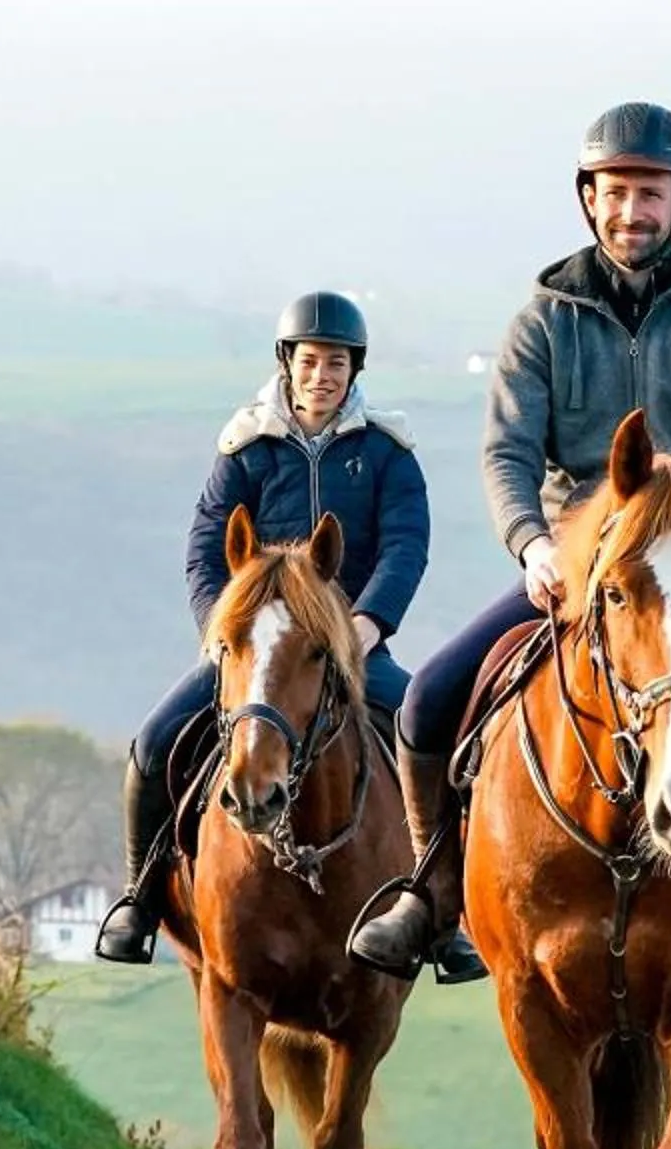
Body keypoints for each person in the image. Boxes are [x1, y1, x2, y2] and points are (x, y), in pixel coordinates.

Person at [346, 101, 671, 1001]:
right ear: (589, 200)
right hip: (577, 566)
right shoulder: (540, 324)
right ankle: (435, 889)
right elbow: (508, 453)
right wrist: (530, 545)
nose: (633, 211)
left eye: (651, 194)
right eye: (617, 192)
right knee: (430, 701)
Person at [93, 291, 432, 965]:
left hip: (349, 645)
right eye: (310, 361)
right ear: (288, 363)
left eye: (337, 363)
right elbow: (204, 546)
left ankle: (436, 908)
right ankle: (139, 899)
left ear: (353, 370)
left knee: (432, 735)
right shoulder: (246, 451)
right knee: (157, 743)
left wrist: (367, 624)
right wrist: (226, 636)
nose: (323, 375)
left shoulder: (388, 453)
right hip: (250, 649)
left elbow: (405, 544)